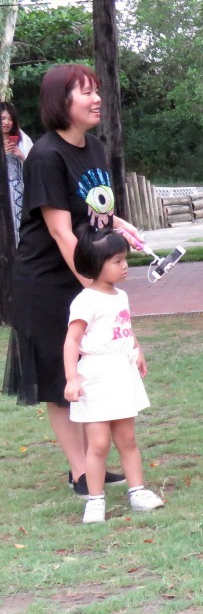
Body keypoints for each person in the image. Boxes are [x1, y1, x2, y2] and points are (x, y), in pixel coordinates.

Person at [2, 64, 141, 496]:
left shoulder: (94, 149)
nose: (96, 98)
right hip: (46, 281)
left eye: (96, 90)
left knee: (91, 367)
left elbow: (91, 212)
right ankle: (81, 473)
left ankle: (88, 466)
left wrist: (122, 225)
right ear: (61, 103)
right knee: (62, 381)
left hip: (81, 272)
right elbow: (62, 231)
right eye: (85, 92)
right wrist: (94, 287)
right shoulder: (45, 156)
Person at [63, 225, 164, 524]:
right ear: (96, 264)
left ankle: (138, 491)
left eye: (125, 259)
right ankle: (95, 500)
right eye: (117, 261)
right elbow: (71, 341)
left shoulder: (120, 296)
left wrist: (137, 350)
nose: (125, 266)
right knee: (98, 444)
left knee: (128, 438)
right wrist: (72, 378)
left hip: (122, 373)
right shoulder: (85, 301)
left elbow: (125, 329)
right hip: (95, 376)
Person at [2, 101, 35, 241]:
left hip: (19, 190)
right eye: (2, 118)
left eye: (10, 119)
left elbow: (34, 164)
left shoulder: (23, 139)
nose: (6, 122)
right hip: (2, 191)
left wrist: (21, 155)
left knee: (21, 225)